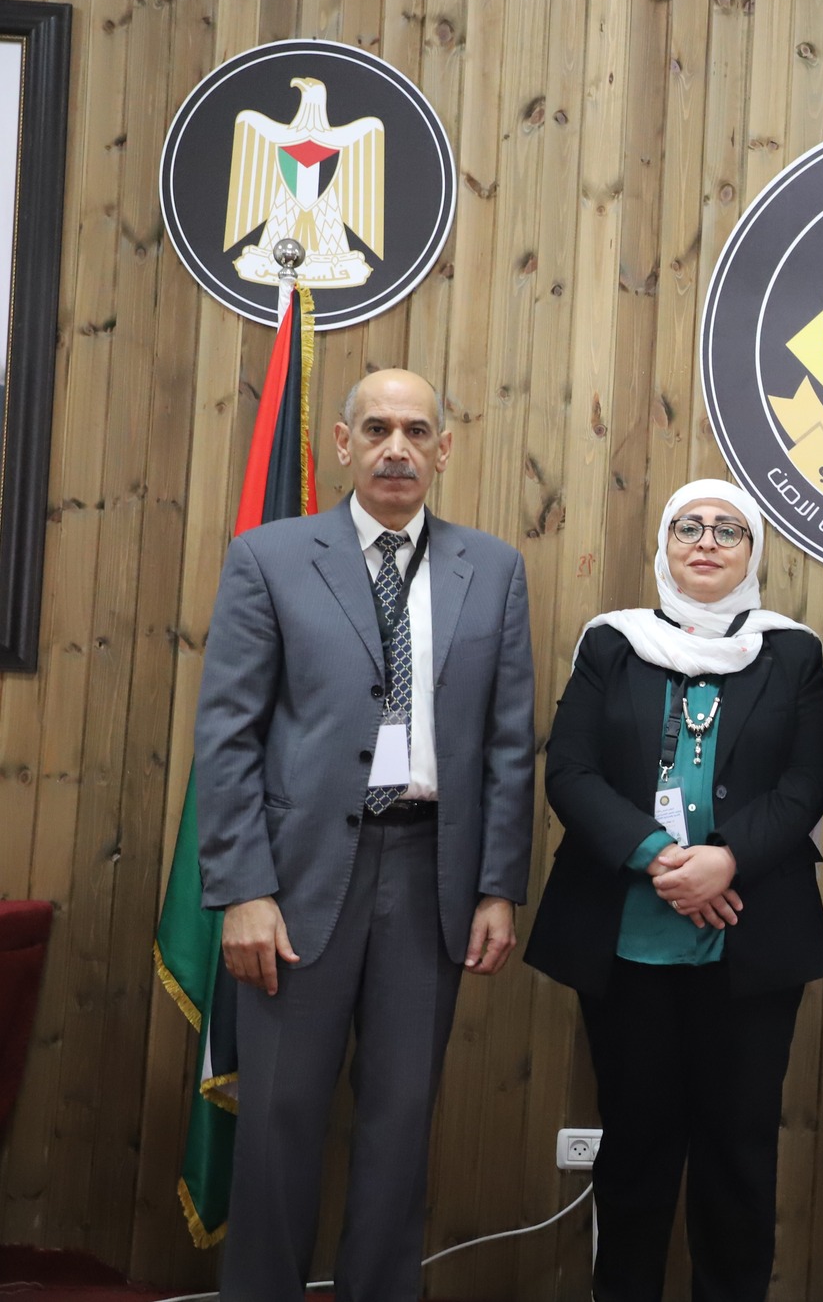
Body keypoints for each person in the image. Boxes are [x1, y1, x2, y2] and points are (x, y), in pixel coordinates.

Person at [196, 368, 535, 1302]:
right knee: (279, 1118)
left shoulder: (493, 569)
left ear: (443, 449)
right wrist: (242, 888)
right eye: (377, 428)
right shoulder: (270, 557)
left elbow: (510, 741)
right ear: (341, 444)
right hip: (296, 880)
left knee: (400, 1121)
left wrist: (498, 884)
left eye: (417, 431)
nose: (397, 448)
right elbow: (227, 736)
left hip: (431, 874)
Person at [525, 479, 823, 1302]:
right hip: (628, 937)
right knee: (635, 1150)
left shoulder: (791, 651)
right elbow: (570, 770)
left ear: (753, 552)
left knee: (739, 1157)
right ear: (664, 544)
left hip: (751, 938)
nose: (706, 541)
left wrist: (726, 860)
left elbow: (810, 779)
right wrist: (661, 856)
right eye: (688, 527)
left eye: (728, 530)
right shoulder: (611, 643)